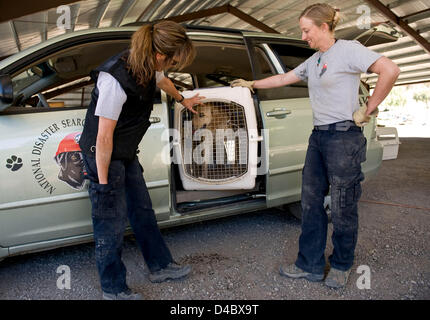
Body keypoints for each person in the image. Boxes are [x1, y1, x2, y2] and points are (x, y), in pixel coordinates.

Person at [232, 3, 400, 288]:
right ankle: (308, 264)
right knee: (311, 203)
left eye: (306, 30)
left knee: (343, 205)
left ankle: (341, 264)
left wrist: (369, 108)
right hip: (319, 137)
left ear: (324, 27)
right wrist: (252, 84)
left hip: (344, 138)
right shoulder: (315, 60)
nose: (303, 36)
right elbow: (285, 77)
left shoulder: (348, 49)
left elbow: (390, 70)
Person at [79, 21, 204, 300]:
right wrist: (102, 184)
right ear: (161, 55)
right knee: (109, 220)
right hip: (103, 153)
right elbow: (103, 137)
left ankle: (160, 266)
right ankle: (113, 288)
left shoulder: (151, 64)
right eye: (173, 60)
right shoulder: (115, 77)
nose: (172, 65)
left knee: (142, 209)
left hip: (124, 151)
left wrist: (183, 99)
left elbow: (162, 81)